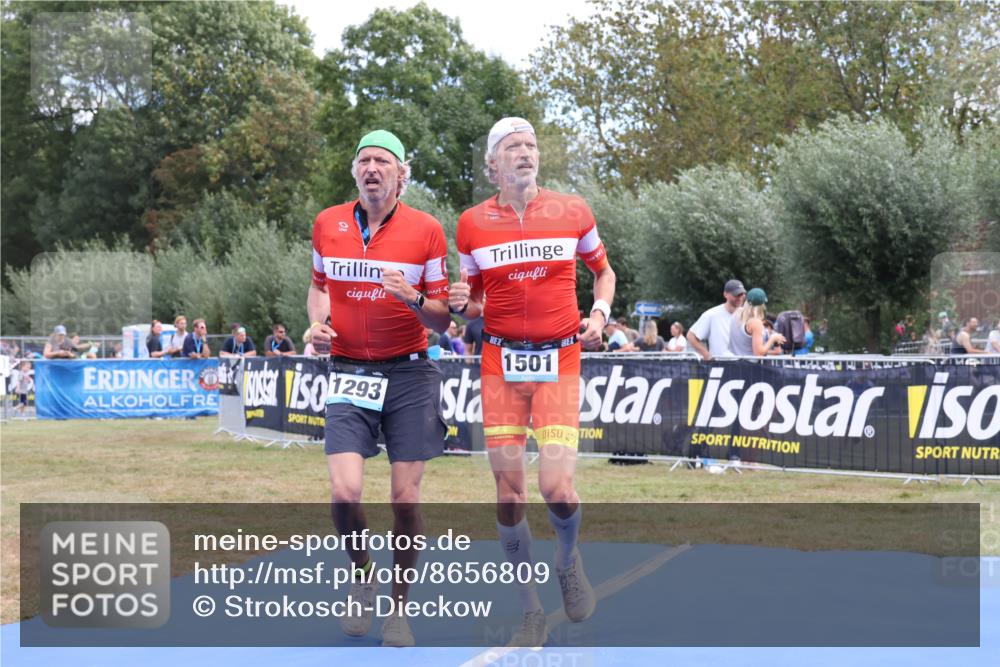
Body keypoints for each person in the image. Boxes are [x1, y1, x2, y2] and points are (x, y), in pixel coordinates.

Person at [449, 116, 616, 647]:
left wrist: (601, 313)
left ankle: (568, 562)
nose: (526, 153)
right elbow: (474, 301)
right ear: (493, 164)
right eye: (514, 147)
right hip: (500, 365)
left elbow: (602, 271)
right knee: (509, 494)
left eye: (531, 145)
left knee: (557, 487)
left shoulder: (572, 210)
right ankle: (531, 611)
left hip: (560, 361)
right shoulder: (471, 223)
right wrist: (461, 304)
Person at [307, 129, 450, 647]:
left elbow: (442, 321)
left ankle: (398, 608)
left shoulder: (427, 230)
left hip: (410, 374)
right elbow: (319, 285)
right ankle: (363, 575)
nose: (372, 169)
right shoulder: (328, 223)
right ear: (354, 172)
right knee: (345, 493)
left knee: (405, 499)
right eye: (364, 160)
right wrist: (317, 325)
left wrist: (410, 294)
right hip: (348, 370)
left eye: (382, 162)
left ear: (400, 174)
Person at [686, 280, 746, 361]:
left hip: (742, 365)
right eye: (737, 294)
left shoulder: (747, 315)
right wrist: (706, 354)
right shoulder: (712, 314)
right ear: (725, 294)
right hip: (719, 364)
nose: (740, 297)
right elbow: (691, 336)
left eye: (742, 294)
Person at [729, 288, 787, 356]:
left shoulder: (736, 313)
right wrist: (773, 338)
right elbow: (758, 353)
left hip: (734, 362)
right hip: (749, 364)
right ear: (762, 305)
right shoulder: (756, 323)